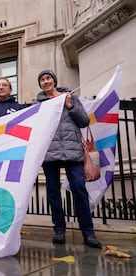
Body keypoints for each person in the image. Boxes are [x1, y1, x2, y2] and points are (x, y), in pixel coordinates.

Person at [36, 70, 102, 248]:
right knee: (52, 192)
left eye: (48, 78)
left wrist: (70, 106)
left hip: (72, 152)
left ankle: (88, 233)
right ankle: (59, 229)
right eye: (42, 79)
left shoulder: (70, 97)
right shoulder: (39, 104)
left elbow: (84, 122)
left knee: (79, 189)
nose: (45, 81)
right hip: (50, 154)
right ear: (40, 84)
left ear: (54, 81)